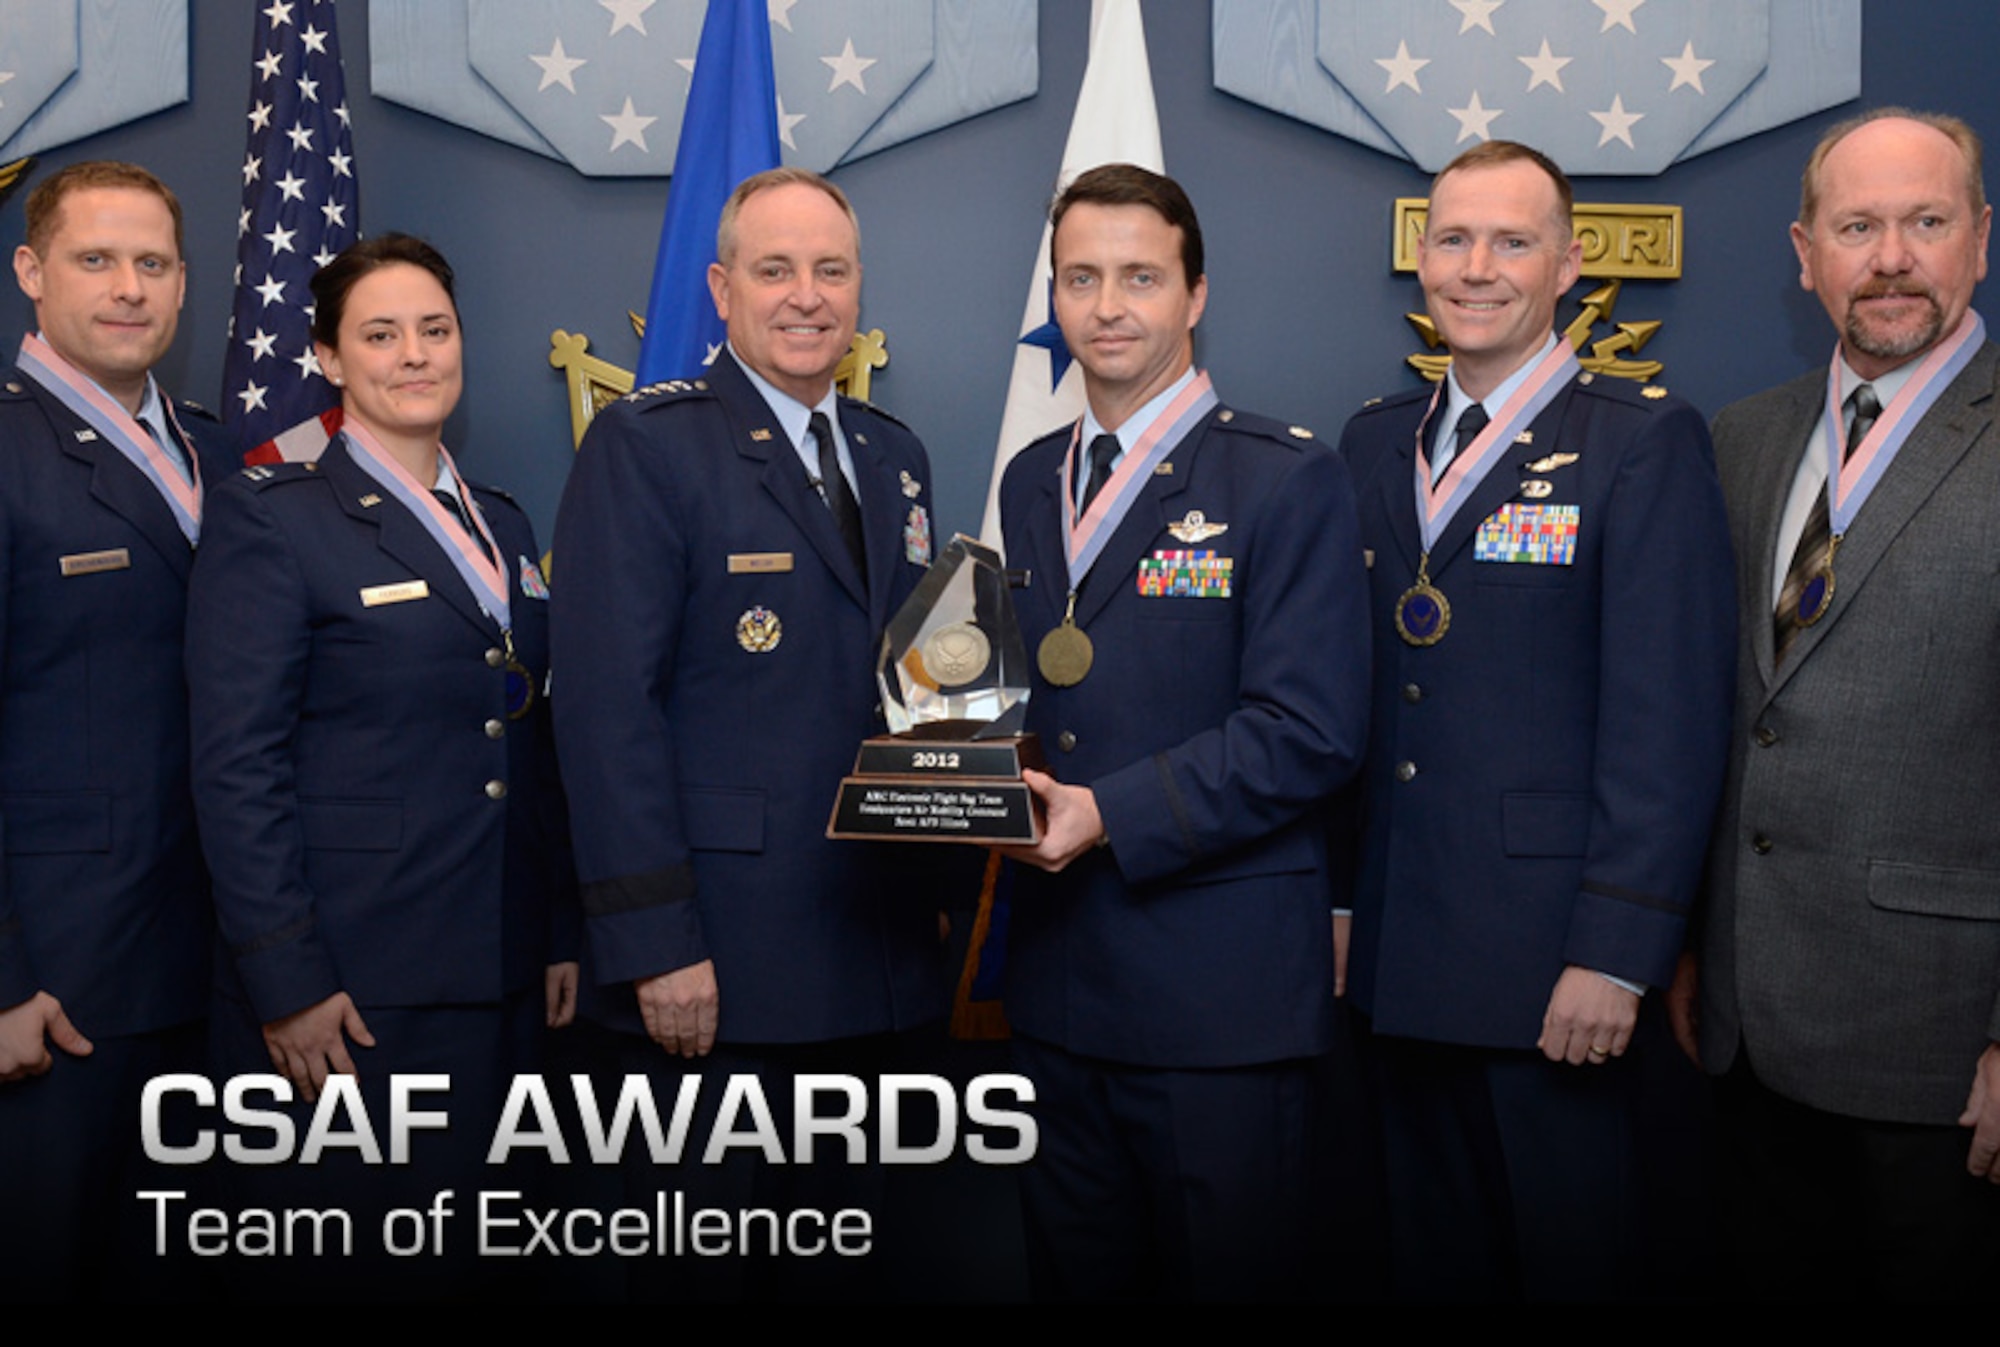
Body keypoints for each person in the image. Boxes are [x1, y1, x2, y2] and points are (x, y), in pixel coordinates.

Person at [1338, 141, 1735, 1301]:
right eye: (1451, 239)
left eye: (1511, 241)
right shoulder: (1370, 441)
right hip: (1399, 965)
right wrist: (1345, 902)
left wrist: (1614, 956)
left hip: (1552, 977)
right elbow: (1359, 707)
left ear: (1566, 265)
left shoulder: (1640, 442)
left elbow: (1667, 722)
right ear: (1420, 263)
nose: (1476, 267)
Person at [551, 167, 945, 1300]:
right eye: (774, 270)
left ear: (859, 287)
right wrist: (656, 944)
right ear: (721, 290)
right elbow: (602, 712)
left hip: (880, 963)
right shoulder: (646, 447)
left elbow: (909, 687)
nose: (806, 296)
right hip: (721, 969)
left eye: (830, 269)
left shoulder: (892, 456)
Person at [993, 163, 1370, 1301]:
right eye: (1081, 278)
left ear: (1194, 294)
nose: (1108, 305)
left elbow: (1309, 730)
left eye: (1140, 277)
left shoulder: (1285, 478)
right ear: (1053, 299)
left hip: (1218, 1006)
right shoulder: (1024, 483)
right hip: (1055, 993)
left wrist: (1108, 813)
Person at [186, 233, 576, 1295]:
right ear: (325, 357)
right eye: (381, 334)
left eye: (435, 330)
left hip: (497, 976)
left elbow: (527, 743)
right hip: (353, 993)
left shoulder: (500, 521)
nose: (415, 355)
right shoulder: (273, 520)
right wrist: (288, 980)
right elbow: (235, 765)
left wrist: (552, 932)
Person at [1670, 108, 2000, 1301]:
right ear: (1804, 253)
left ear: (1977, 239)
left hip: (1937, 1048)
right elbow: (1729, 711)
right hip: (1747, 1036)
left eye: (1924, 222)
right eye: (1856, 226)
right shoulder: (1743, 438)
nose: (1891, 258)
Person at [0, 161, 238, 1298]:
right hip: (57, 988)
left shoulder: (219, 456)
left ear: (185, 284)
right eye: (96, 260)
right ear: (32, 273)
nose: (128, 288)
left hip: (218, 973)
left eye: (152, 263)